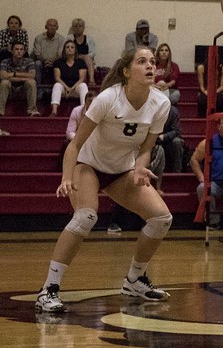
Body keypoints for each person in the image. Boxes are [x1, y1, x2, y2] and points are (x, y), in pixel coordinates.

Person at [35, 47, 173, 313]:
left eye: (153, 62)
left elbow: (146, 148)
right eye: (142, 61)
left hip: (121, 170)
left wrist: (140, 168)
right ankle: (48, 289)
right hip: (88, 166)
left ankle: (135, 279)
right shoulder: (109, 98)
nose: (150, 66)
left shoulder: (161, 103)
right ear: (126, 71)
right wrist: (66, 176)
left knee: (161, 219)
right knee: (86, 217)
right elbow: (75, 145)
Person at [191, 116, 223, 229]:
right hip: (216, 184)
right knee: (202, 188)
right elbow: (194, 160)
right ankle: (213, 222)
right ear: (218, 126)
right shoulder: (209, 142)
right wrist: (201, 177)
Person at [0, 42, 39, 116]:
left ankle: (32, 111)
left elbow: (32, 75)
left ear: (24, 52)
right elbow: (3, 76)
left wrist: (14, 74)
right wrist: (25, 77)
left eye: (21, 49)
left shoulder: (29, 61)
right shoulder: (5, 61)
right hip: (9, 91)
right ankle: (0, 112)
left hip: (23, 91)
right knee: (4, 82)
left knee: (31, 82)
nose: (19, 51)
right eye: (16, 49)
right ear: (12, 51)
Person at [50, 40, 88, 116]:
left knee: (83, 85)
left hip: (76, 88)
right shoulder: (58, 62)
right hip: (64, 88)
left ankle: (85, 111)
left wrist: (72, 89)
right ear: (64, 50)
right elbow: (57, 78)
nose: (70, 49)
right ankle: (54, 111)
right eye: (67, 47)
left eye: (72, 47)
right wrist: (67, 88)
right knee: (57, 85)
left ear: (75, 50)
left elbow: (82, 79)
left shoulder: (80, 62)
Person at [33, 18, 66, 86]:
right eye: (50, 25)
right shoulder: (38, 38)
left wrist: (53, 62)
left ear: (57, 27)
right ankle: (39, 88)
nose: (52, 28)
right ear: (46, 27)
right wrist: (45, 61)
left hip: (56, 62)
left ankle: (58, 87)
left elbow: (60, 54)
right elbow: (37, 54)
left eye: (54, 26)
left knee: (61, 63)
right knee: (37, 63)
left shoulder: (62, 39)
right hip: (42, 62)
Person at [67, 18, 97, 85]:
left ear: (83, 28)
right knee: (85, 57)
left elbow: (93, 53)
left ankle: (91, 79)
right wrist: (78, 56)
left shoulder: (89, 39)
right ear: (73, 28)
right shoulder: (70, 38)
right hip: (73, 59)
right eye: (76, 26)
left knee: (87, 57)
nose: (78, 28)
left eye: (80, 26)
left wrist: (83, 56)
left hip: (86, 60)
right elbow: (67, 50)